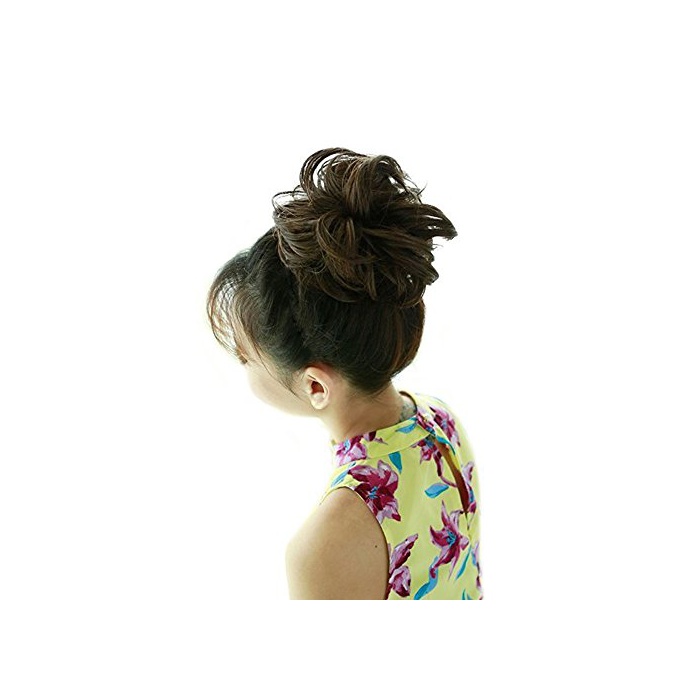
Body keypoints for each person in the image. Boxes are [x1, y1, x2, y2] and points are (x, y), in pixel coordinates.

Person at [206, 147, 483, 600]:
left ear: (315, 386)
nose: (242, 367)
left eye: (245, 357)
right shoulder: (441, 421)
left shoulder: (323, 548)